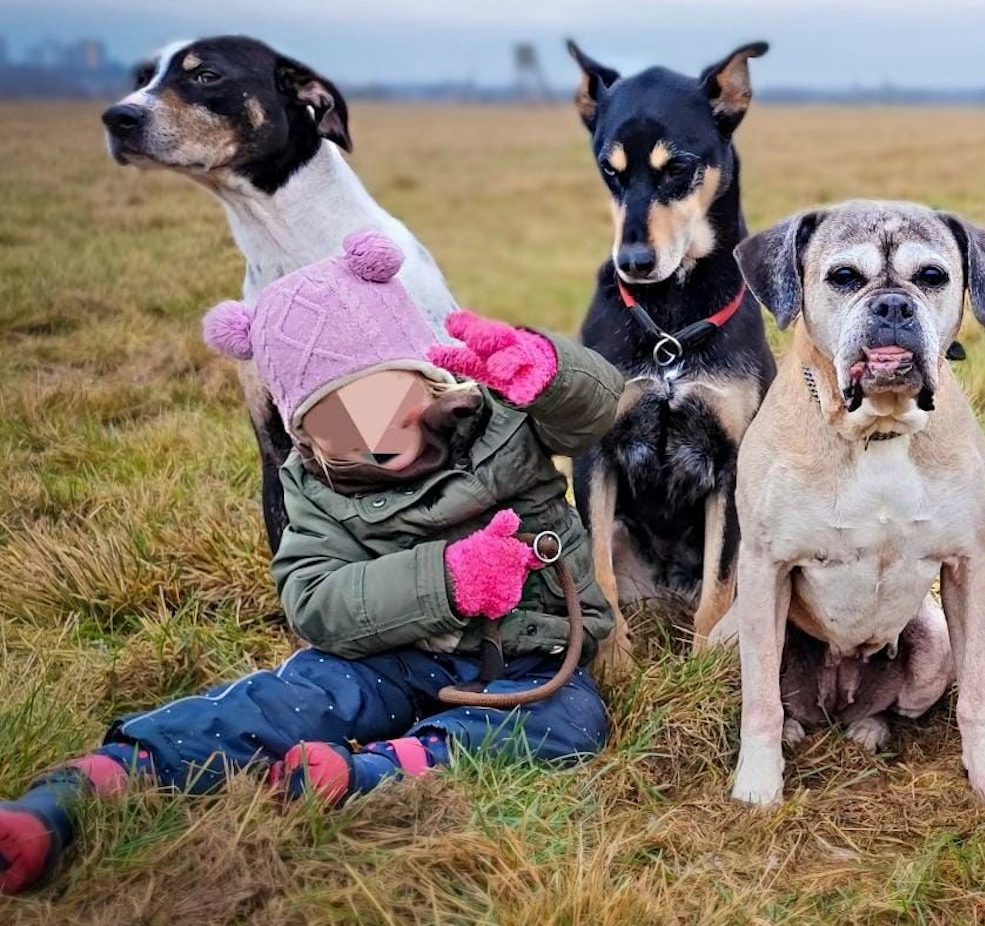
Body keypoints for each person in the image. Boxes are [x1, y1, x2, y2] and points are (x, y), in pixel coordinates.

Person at [0, 231, 622, 894]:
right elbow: (315, 600)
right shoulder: (313, 485)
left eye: (383, 404)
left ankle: (378, 769)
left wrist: (549, 371)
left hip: (531, 660)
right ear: (301, 431)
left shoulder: (502, 415)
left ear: (425, 375)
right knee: (282, 699)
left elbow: (593, 415)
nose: (370, 438)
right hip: (388, 659)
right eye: (335, 424)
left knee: (571, 722)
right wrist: (446, 580)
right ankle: (94, 782)